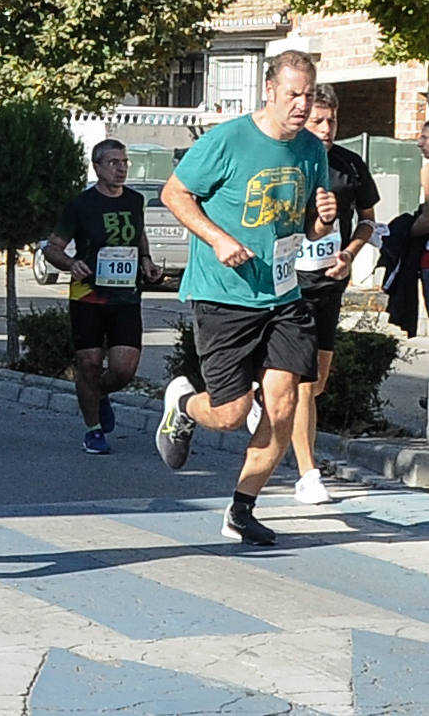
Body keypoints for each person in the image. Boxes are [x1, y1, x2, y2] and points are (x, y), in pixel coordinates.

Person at [157, 50, 337, 546]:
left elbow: (307, 225)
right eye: (293, 94)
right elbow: (174, 193)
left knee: (282, 406)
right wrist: (216, 237)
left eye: (308, 95)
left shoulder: (310, 151)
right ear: (270, 91)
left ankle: (241, 508)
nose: (301, 105)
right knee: (232, 413)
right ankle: (184, 403)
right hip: (225, 295)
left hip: (282, 293)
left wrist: (323, 218)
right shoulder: (228, 140)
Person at [282, 84, 380, 504]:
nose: (325, 128)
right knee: (302, 384)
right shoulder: (287, 161)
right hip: (288, 285)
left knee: (317, 382)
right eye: (317, 120)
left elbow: (368, 220)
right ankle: (308, 474)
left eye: (332, 121)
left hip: (329, 282)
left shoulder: (350, 165)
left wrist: (350, 253)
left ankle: (267, 404)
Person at [42, 139, 163, 454]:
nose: (121, 168)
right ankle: (93, 429)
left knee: (124, 369)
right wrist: (71, 264)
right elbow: (52, 248)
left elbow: (138, 235)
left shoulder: (135, 200)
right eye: (113, 162)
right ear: (96, 167)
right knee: (89, 363)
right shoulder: (80, 205)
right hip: (88, 296)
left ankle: (97, 395)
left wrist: (146, 261)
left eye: (124, 162)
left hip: (125, 296)